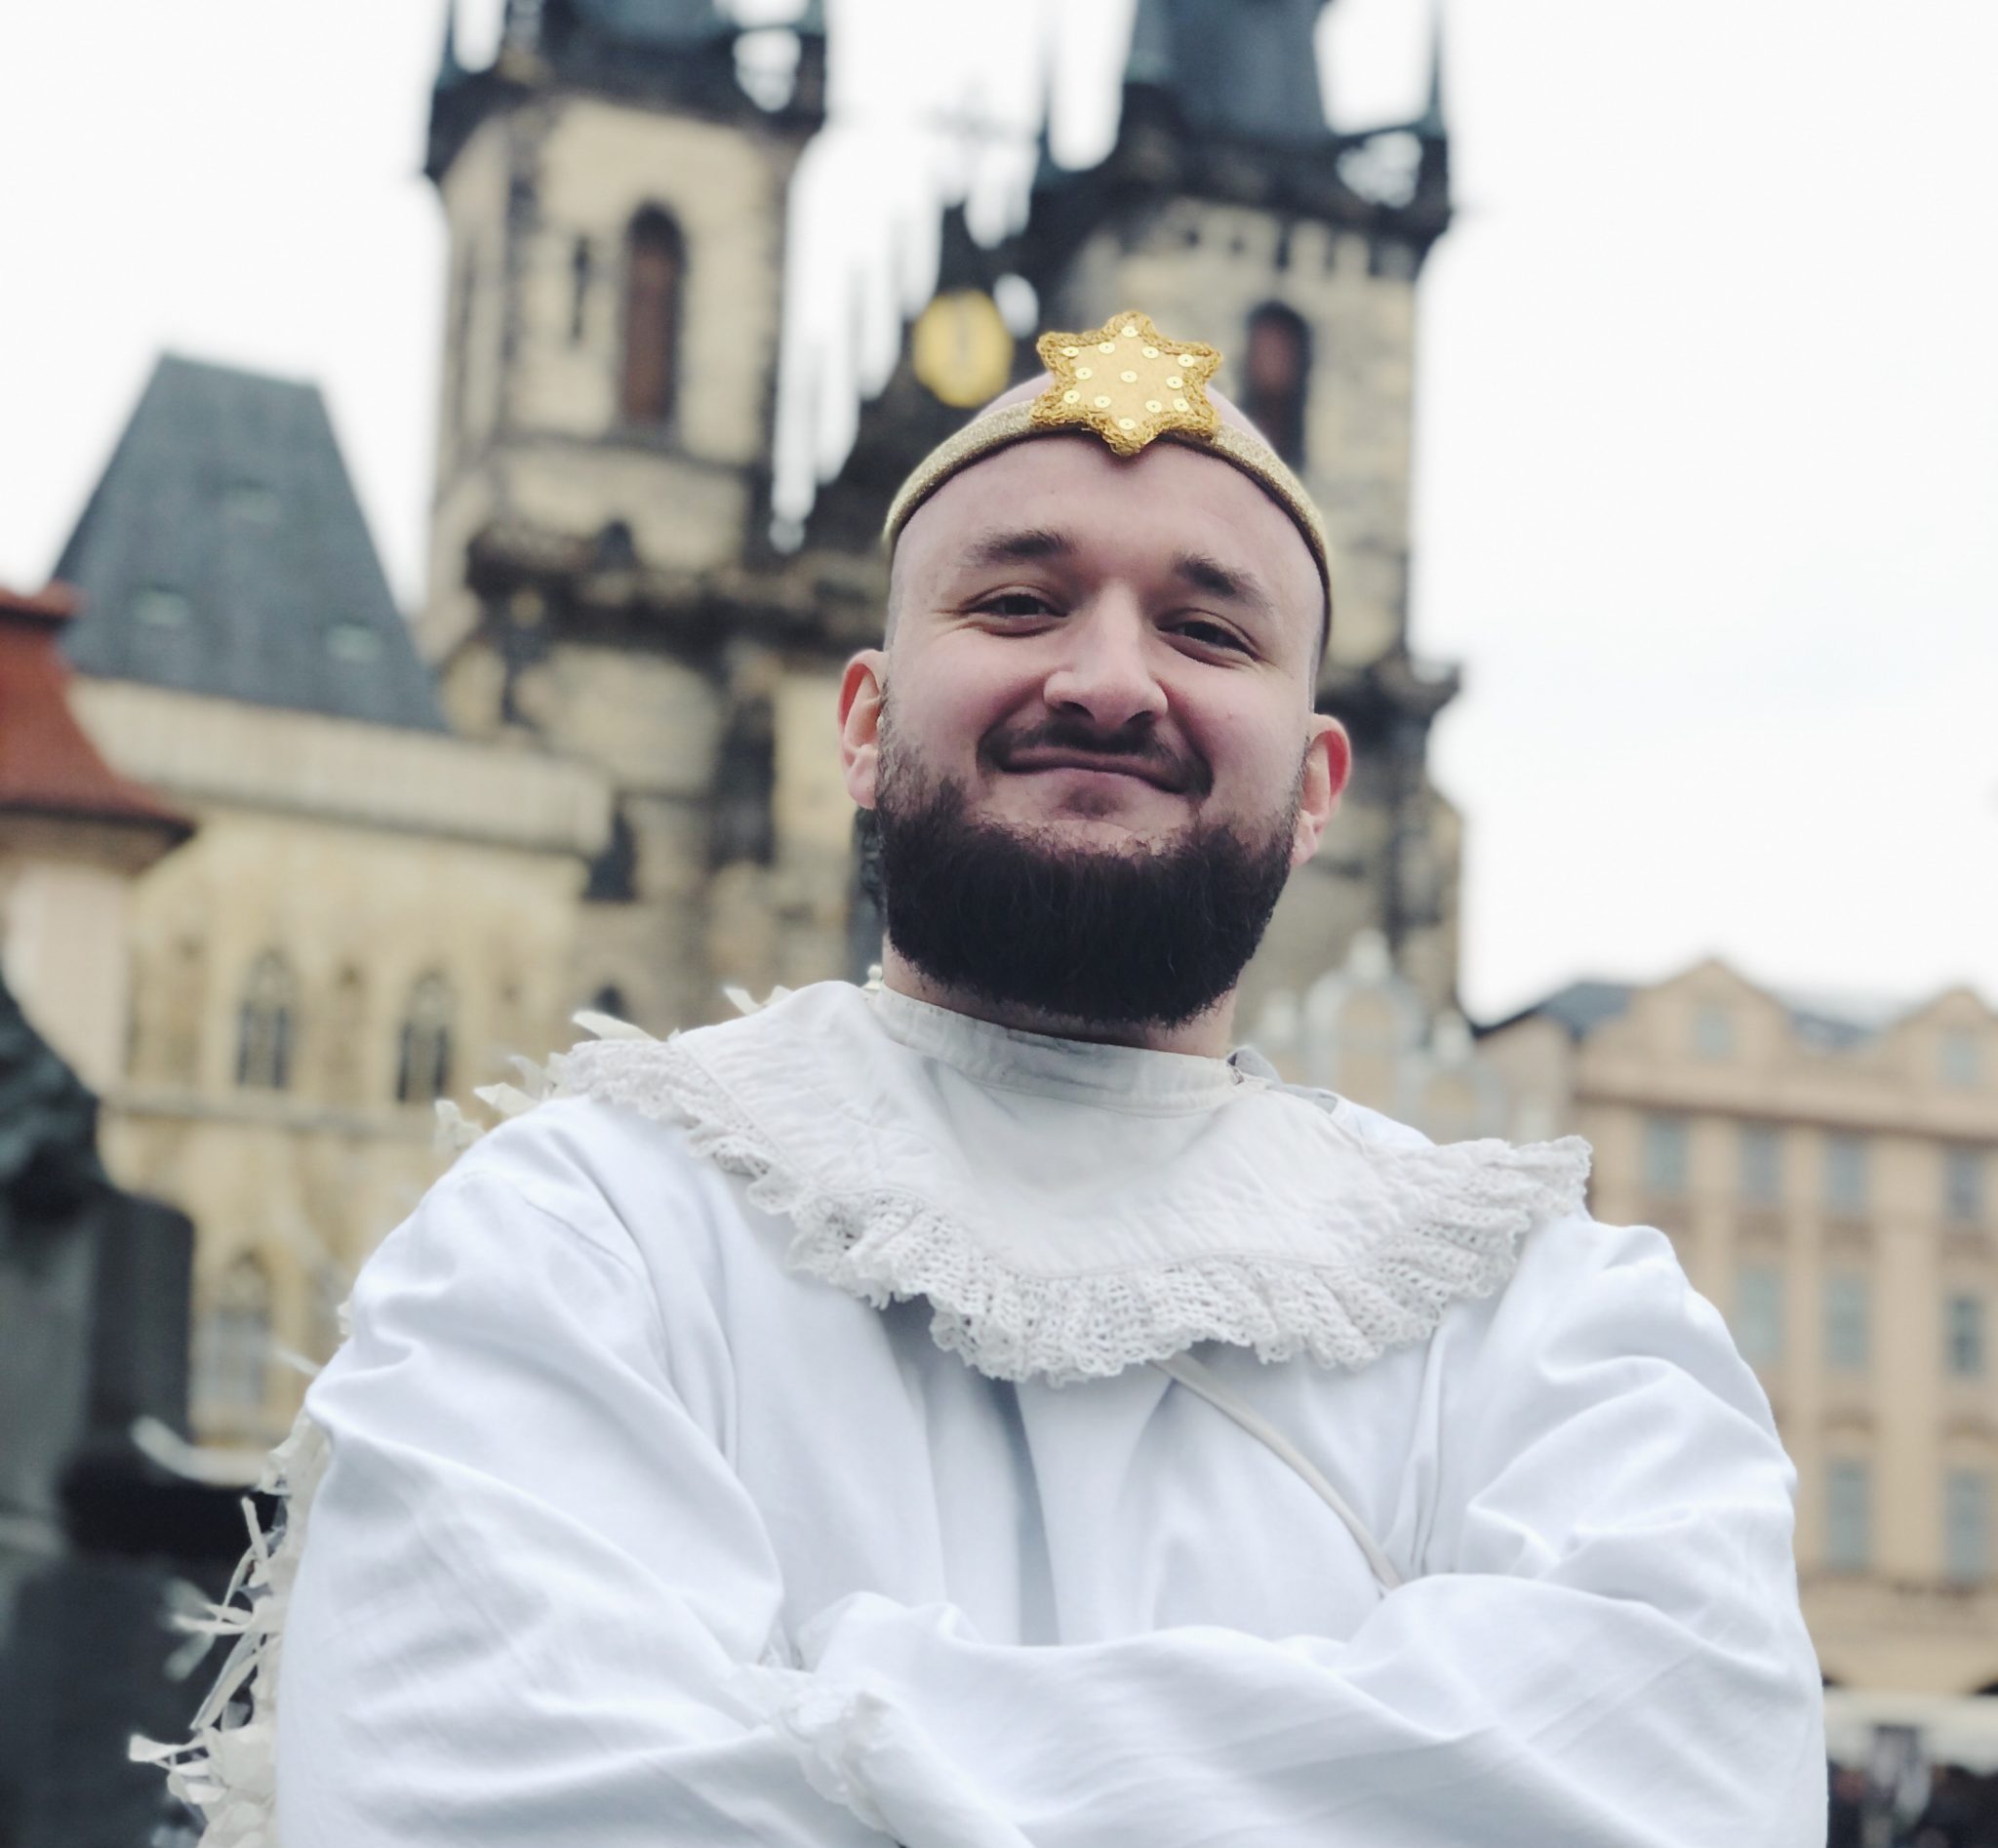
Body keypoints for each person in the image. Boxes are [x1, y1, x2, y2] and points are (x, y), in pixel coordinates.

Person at [147, 311, 1826, 1845]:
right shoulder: (580, 1226)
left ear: (1322, 786)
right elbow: (490, 1805)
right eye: (1019, 603)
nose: (1107, 679)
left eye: (1207, 628)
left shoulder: (1539, 1311)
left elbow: (1693, 1783)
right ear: (861, 722)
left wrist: (826, 1713)